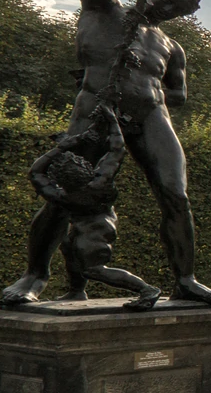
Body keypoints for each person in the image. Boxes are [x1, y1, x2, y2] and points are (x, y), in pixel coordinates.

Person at [0, 0, 211, 308]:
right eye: (169, 1)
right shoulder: (104, 10)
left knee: (176, 195)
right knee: (65, 197)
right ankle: (34, 276)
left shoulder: (172, 47)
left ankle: (186, 279)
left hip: (152, 117)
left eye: (179, 10)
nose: (170, 11)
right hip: (96, 109)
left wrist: (147, 90)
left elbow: (179, 94)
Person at [28, 105, 159, 310]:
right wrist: (113, 121)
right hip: (101, 223)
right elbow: (117, 149)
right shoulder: (100, 181)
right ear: (88, 169)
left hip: (95, 231)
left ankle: (147, 289)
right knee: (69, 248)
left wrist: (61, 148)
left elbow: (35, 172)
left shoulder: (62, 196)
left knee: (94, 269)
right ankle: (77, 290)